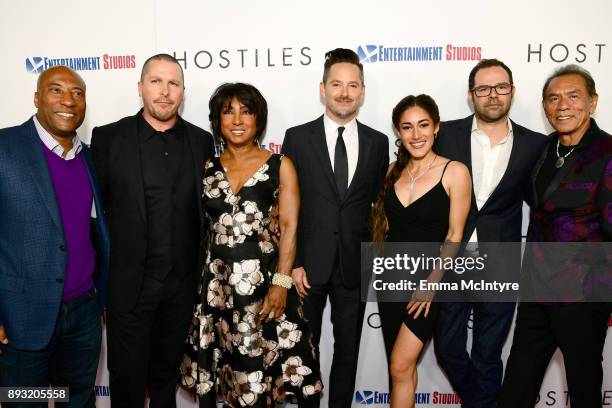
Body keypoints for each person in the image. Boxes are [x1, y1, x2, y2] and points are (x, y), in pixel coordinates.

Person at [180, 82, 322, 407]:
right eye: (227, 112)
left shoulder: (280, 165)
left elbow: (289, 226)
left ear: (259, 118)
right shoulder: (205, 168)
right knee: (224, 379)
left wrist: (282, 283)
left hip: (266, 287)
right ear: (217, 120)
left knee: (263, 378)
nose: (237, 119)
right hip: (217, 289)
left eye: (246, 111)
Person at [90, 54, 215, 408]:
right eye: (156, 82)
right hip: (128, 290)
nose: (165, 91)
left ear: (183, 92)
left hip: (179, 292)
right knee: (127, 386)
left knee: (165, 384)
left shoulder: (200, 141)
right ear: (140, 87)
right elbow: (93, 217)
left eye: (173, 83)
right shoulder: (108, 138)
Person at [433, 58, 548, 408]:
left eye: (501, 87)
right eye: (484, 89)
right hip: (451, 260)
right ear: (471, 96)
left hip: (502, 263)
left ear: (512, 91)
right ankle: (486, 402)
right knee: (448, 348)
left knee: (488, 352)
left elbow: (543, 204)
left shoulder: (535, 145)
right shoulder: (446, 134)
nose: (493, 95)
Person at [281, 48, 389, 408]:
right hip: (306, 268)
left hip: (353, 266)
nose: (345, 92)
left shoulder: (378, 143)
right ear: (322, 88)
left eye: (353, 85)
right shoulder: (297, 137)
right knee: (302, 351)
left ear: (362, 91)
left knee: (348, 351)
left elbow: (377, 206)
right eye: (337, 84)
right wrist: (292, 263)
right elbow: (288, 206)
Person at [498, 65, 611, 408]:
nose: (562, 105)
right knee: (516, 387)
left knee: (583, 388)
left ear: (593, 102)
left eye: (573, 96)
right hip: (536, 290)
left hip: (583, 296)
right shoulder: (546, 148)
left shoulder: (607, 154)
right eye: (553, 98)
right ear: (545, 108)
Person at [0, 66, 109, 407]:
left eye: (77, 93)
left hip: (83, 315)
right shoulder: (5, 148)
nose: (68, 101)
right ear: (37, 97)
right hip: (21, 316)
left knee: (76, 400)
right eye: (56, 90)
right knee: (24, 402)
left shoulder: (91, 158)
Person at [371, 94, 471, 407]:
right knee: (402, 370)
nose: (416, 135)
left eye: (423, 125)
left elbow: (455, 235)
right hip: (391, 283)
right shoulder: (391, 171)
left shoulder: (454, 172)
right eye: (407, 127)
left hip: (427, 283)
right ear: (398, 133)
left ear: (436, 127)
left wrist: (432, 283)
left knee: (400, 365)